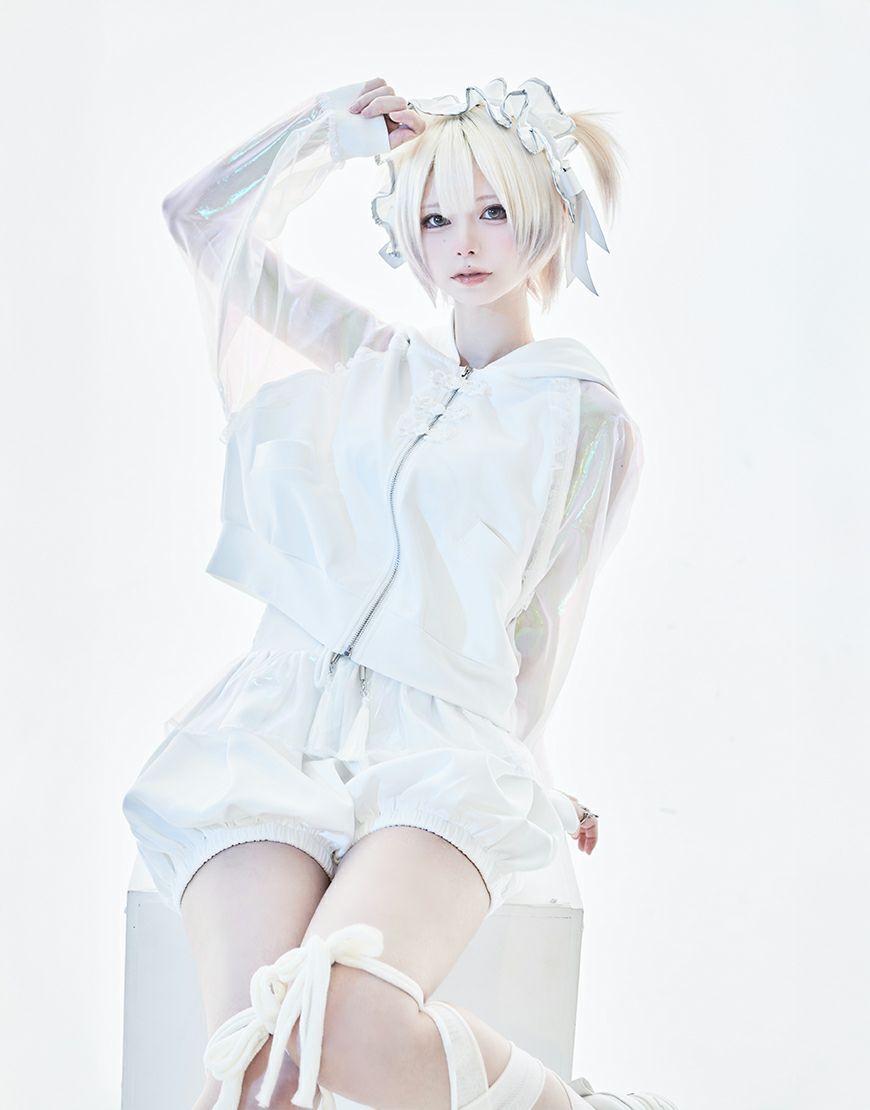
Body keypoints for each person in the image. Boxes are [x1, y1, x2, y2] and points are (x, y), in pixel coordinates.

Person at [122, 76, 677, 1110]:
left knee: (338, 1016)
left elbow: (542, 628)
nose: (462, 242)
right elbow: (197, 223)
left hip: (438, 738)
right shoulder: (373, 360)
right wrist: (323, 132)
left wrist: (536, 772)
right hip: (277, 719)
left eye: (493, 210)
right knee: (253, 1065)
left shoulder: (586, 419)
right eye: (433, 217)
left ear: (546, 217)